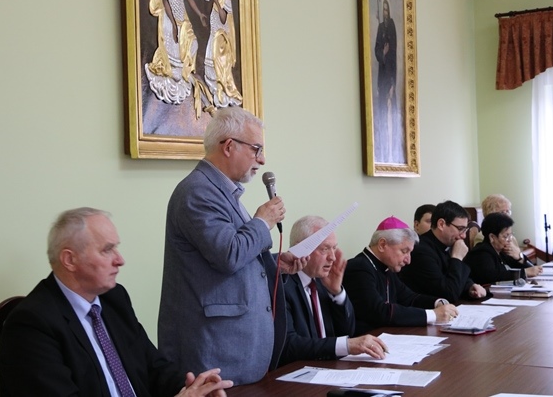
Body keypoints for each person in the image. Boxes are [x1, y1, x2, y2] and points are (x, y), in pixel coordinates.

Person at [0, 207, 232, 397]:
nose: (120, 260)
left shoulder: (113, 299)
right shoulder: (31, 325)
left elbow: (154, 368)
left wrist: (193, 388)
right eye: (107, 250)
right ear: (70, 260)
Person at [159, 107, 307, 385]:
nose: (262, 159)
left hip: (236, 354)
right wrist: (263, 221)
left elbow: (234, 255)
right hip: (213, 353)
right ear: (228, 147)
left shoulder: (221, 192)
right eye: (256, 149)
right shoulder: (198, 192)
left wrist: (274, 263)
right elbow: (228, 254)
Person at [280, 216, 388, 366]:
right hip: (297, 372)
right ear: (300, 249)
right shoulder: (281, 285)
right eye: (324, 249)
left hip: (330, 368)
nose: (332, 257)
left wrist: (337, 293)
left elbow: (347, 331)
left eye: (334, 248)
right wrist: (347, 345)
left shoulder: (321, 280)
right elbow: (289, 345)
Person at [343, 216, 459, 335]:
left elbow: (409, 298)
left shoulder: (387, 267)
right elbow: (378, 311)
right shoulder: (359, 268)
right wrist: (433, 315)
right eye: (404, 251)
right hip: (366, 339)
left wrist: (437, 303)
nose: (408, 260)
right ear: (382, 245)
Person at [399, 200, 487, 303]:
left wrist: (470, 286)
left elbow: (453, 276)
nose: (463, 236)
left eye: (465, 230)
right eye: (460, 229)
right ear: (441, 224)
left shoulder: (447, 244)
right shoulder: (421, 251)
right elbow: (449, 294)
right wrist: (457, 258)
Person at [146, 0, 209, 110]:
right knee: (174, 47)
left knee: (193, 43)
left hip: (181, 16)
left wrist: (200, 14)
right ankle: (173, 72)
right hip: (169, 17)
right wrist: (174, 24)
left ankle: (184, 73)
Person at [464, 213, 542, 285]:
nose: (510, 240)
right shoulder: (481, 253)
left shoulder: (502, 251)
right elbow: (493, 276)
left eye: (510, 235)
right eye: (506, 236)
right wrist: (524, 272)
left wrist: (519, 257)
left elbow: (532, 269)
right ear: (492, 237)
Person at [203, 0, 243, 108]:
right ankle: (215, 90)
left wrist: (216, 0)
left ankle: (223, 91)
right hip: (213, 27)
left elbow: (224, 17)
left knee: (219, 61)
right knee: (210, 63)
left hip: (221, 34)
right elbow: (207, 3)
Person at [373, 0, 402, 163]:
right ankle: (382, 153)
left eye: (386, 10)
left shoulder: (391, 26)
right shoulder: (380, 28)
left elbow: (393, 53)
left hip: (390, 76)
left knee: (391, 110)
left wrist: (392, 83)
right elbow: (377, 50)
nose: (385, 13)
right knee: (382, 111)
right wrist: (382, 54)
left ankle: (392, 153)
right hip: (381, 76)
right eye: (383, 10)